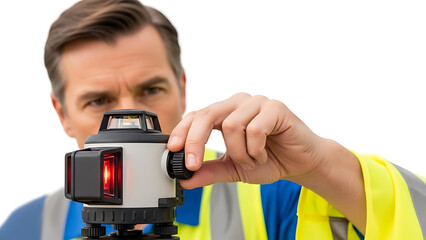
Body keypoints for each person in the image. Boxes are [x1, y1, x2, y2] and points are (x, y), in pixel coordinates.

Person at [0, 0, 425, 239]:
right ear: (62, 114)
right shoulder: (26, 229)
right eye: (99, 100)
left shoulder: (276, 196)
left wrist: (319, 167)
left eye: (151, 90)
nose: (132, 121)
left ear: (182, 88)